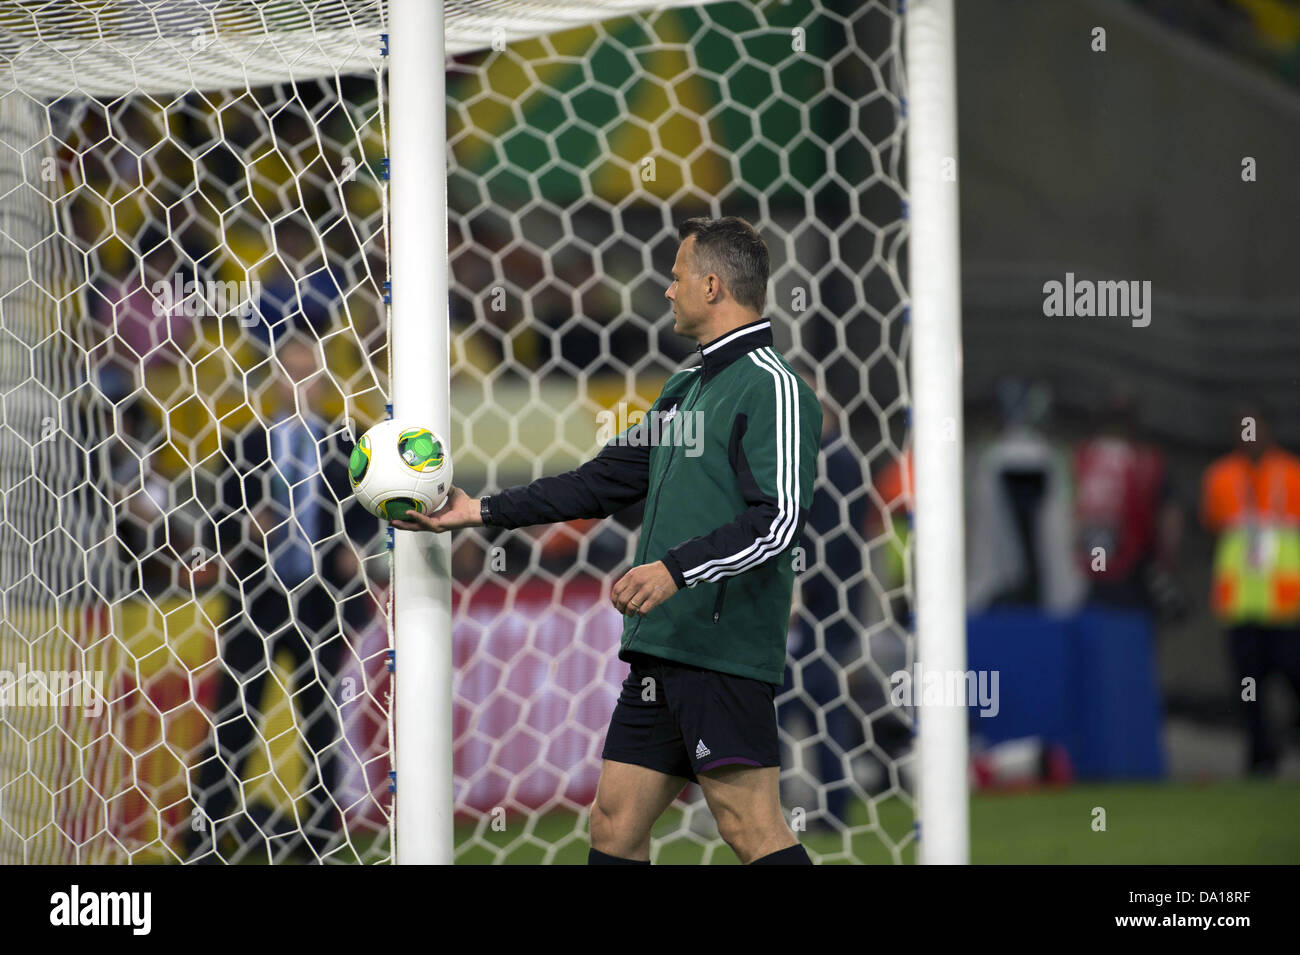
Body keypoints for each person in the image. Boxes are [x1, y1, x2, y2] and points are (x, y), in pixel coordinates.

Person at [395, 216, 822, 865]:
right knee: (615, 826)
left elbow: (779, 519)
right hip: (661, 647)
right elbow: (604, 481)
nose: (667, 290)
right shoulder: (685, 386)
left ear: (713, 285)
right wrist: (481, 509)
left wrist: (674, 570)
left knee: (750, 827)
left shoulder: (773, 386)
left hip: (721, 648)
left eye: (677, 277)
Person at [189, 335, 375, 861]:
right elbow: (216, 522)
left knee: (321, 724)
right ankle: (203, 840)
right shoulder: (242, 445)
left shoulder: (350, 442)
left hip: (323, 604)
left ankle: (318, 841)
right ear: (272, 379)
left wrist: (355, 545)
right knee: (235, 720)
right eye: (289, 372)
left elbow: (367, 509)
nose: (299, 383)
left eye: (308, 372)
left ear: (323, 379)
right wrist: (242, 529)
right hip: (258, 602)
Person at [1200, 404, 1300, 776]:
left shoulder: (1292, 473)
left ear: (1269, 429)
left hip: (1285, 603)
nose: (1249, 434)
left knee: (1294, 673)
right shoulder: (1221, 475)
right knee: (1248, 688)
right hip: (1241, 604)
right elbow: (1214, 528)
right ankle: (1261, 757)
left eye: (1254, 426)